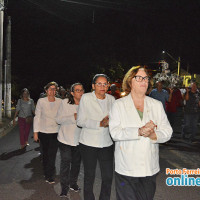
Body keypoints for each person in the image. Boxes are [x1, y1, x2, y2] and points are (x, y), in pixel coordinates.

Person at [109, 66, 172, 200]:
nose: (144, 81)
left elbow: (167, 131)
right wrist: (139, 131)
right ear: (130, 81)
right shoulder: (118, 105)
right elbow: (115, 133)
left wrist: (153, 135)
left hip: (149, 167)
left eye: (146, 78)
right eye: (139, 78)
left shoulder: (156, 104)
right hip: (127, 168)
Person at [77, 74, 115, 200]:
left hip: (107, 143)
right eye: (99, 84)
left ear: (108, 85)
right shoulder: (86, 98)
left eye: (105, 84)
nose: (102, 86)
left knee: (108, 176)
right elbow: (80, 121)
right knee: (89, 176)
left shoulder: (112, 99)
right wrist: (99, 123)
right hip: (89, 143)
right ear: (93, 86)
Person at [56, 83, 84, 198]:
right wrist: (74, 117)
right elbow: (58, 119)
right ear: (72, 93)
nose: (80, 92)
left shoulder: (86, 104)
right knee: (66, 162)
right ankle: (64, 188)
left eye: (82, 90)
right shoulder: (65, 103)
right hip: (65, 139)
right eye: (77, 90)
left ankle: (73, 184)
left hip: (80, 140)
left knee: (76, 164)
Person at [33, 81, 62, 184]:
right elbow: (37, 117)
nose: (52, 91)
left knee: (52, 154)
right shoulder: (41, 101)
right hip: (43, 132)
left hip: (55, 132)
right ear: (46, 91)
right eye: (50, 89)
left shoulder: (60, 101)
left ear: (56, 91)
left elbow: (62, 115)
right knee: (45, 154)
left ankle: (50, 175)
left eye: (54, 89)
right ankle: (47, 172)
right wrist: (35, 132)